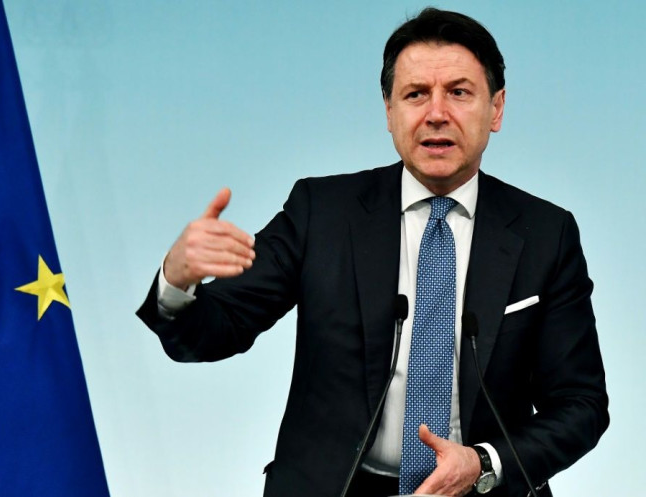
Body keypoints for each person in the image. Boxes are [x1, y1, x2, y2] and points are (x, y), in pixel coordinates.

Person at [137, 8, 609, 497]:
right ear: (389, 111)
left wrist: (484, 462)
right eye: (415, 94)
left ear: (497, 109)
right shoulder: (321, 212)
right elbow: (208, 335)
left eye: (459, 92)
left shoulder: (545, 233)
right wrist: (178, 279)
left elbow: (581, 405)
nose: (436, 113)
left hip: (481, 488)